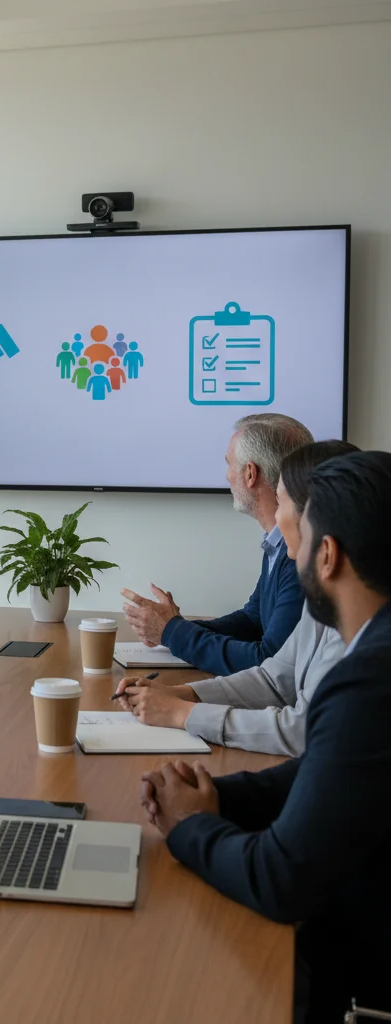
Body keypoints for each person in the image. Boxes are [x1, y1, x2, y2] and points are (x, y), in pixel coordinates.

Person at [138, 451, 391, 1023]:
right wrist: (223, 796)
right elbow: (325, 769)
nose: (288, 550)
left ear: (326, 557)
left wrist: (190, 825)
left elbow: (280, 880)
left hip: (357, 975)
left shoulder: (368, 681)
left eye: (296, 534)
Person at [115, 440, 357, 755]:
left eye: (281, 502)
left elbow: (304, 730)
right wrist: (180, 694)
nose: (277, 518)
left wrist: (182, 713)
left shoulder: (360, 620)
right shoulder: (321, 598)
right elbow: (275, 678)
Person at [122, 414, 313, 675]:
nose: (226, 476)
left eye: (229, 465)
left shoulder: (299, 553)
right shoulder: (277, 542)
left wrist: (172, 631)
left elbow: (268, 661)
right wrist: (171, 627)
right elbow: (253, 620)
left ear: (250, 474)